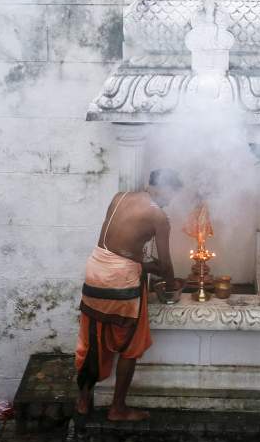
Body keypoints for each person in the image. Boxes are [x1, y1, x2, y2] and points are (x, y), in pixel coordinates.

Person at [75, 168, 182, 421]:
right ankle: (117, 408)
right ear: (162, 188)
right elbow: (166, 265)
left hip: (95, 271)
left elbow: (116, 249)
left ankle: (83, 401)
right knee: (130, 345)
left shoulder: (119, 197)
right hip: (122, 282)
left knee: (93, 337)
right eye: (171, 195)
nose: (169, 201)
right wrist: (170, 285)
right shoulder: (159, 216)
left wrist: (145, 264)